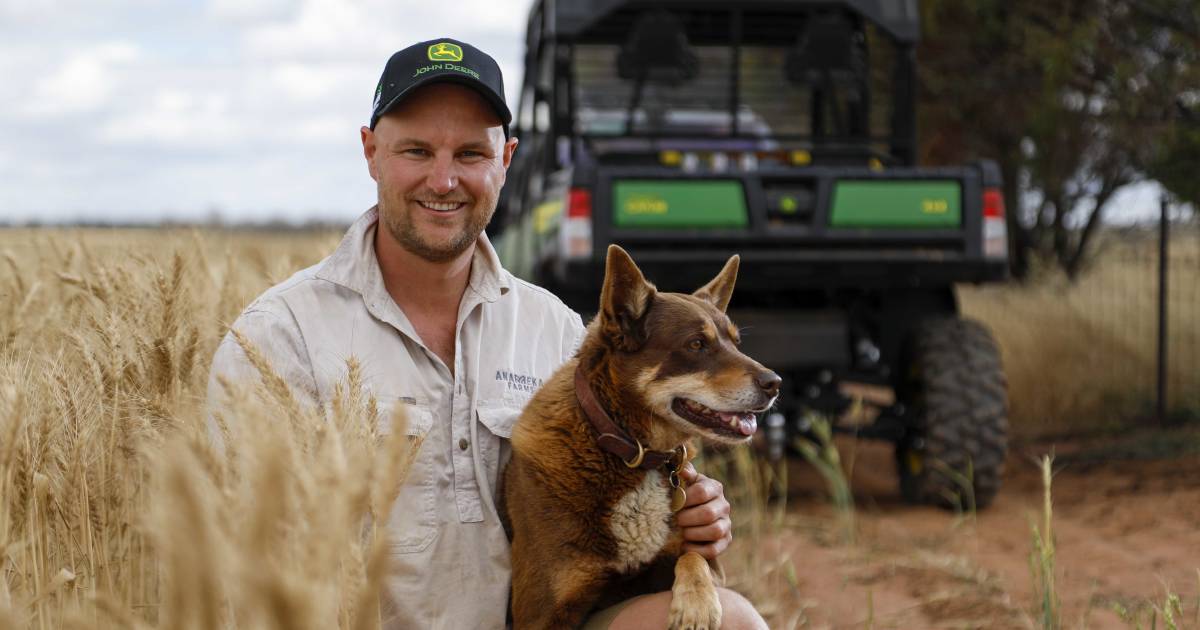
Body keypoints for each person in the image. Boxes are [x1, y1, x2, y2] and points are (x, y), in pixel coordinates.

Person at [207, 38, 766, 629]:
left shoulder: (555, 331)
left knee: (731, 621)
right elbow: (242, 548)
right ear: (371, 153)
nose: (444, 180)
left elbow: (635, 481)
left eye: (471, 153)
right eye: (417, 150)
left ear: (506, 160)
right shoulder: (280, 338)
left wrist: (691, 511)